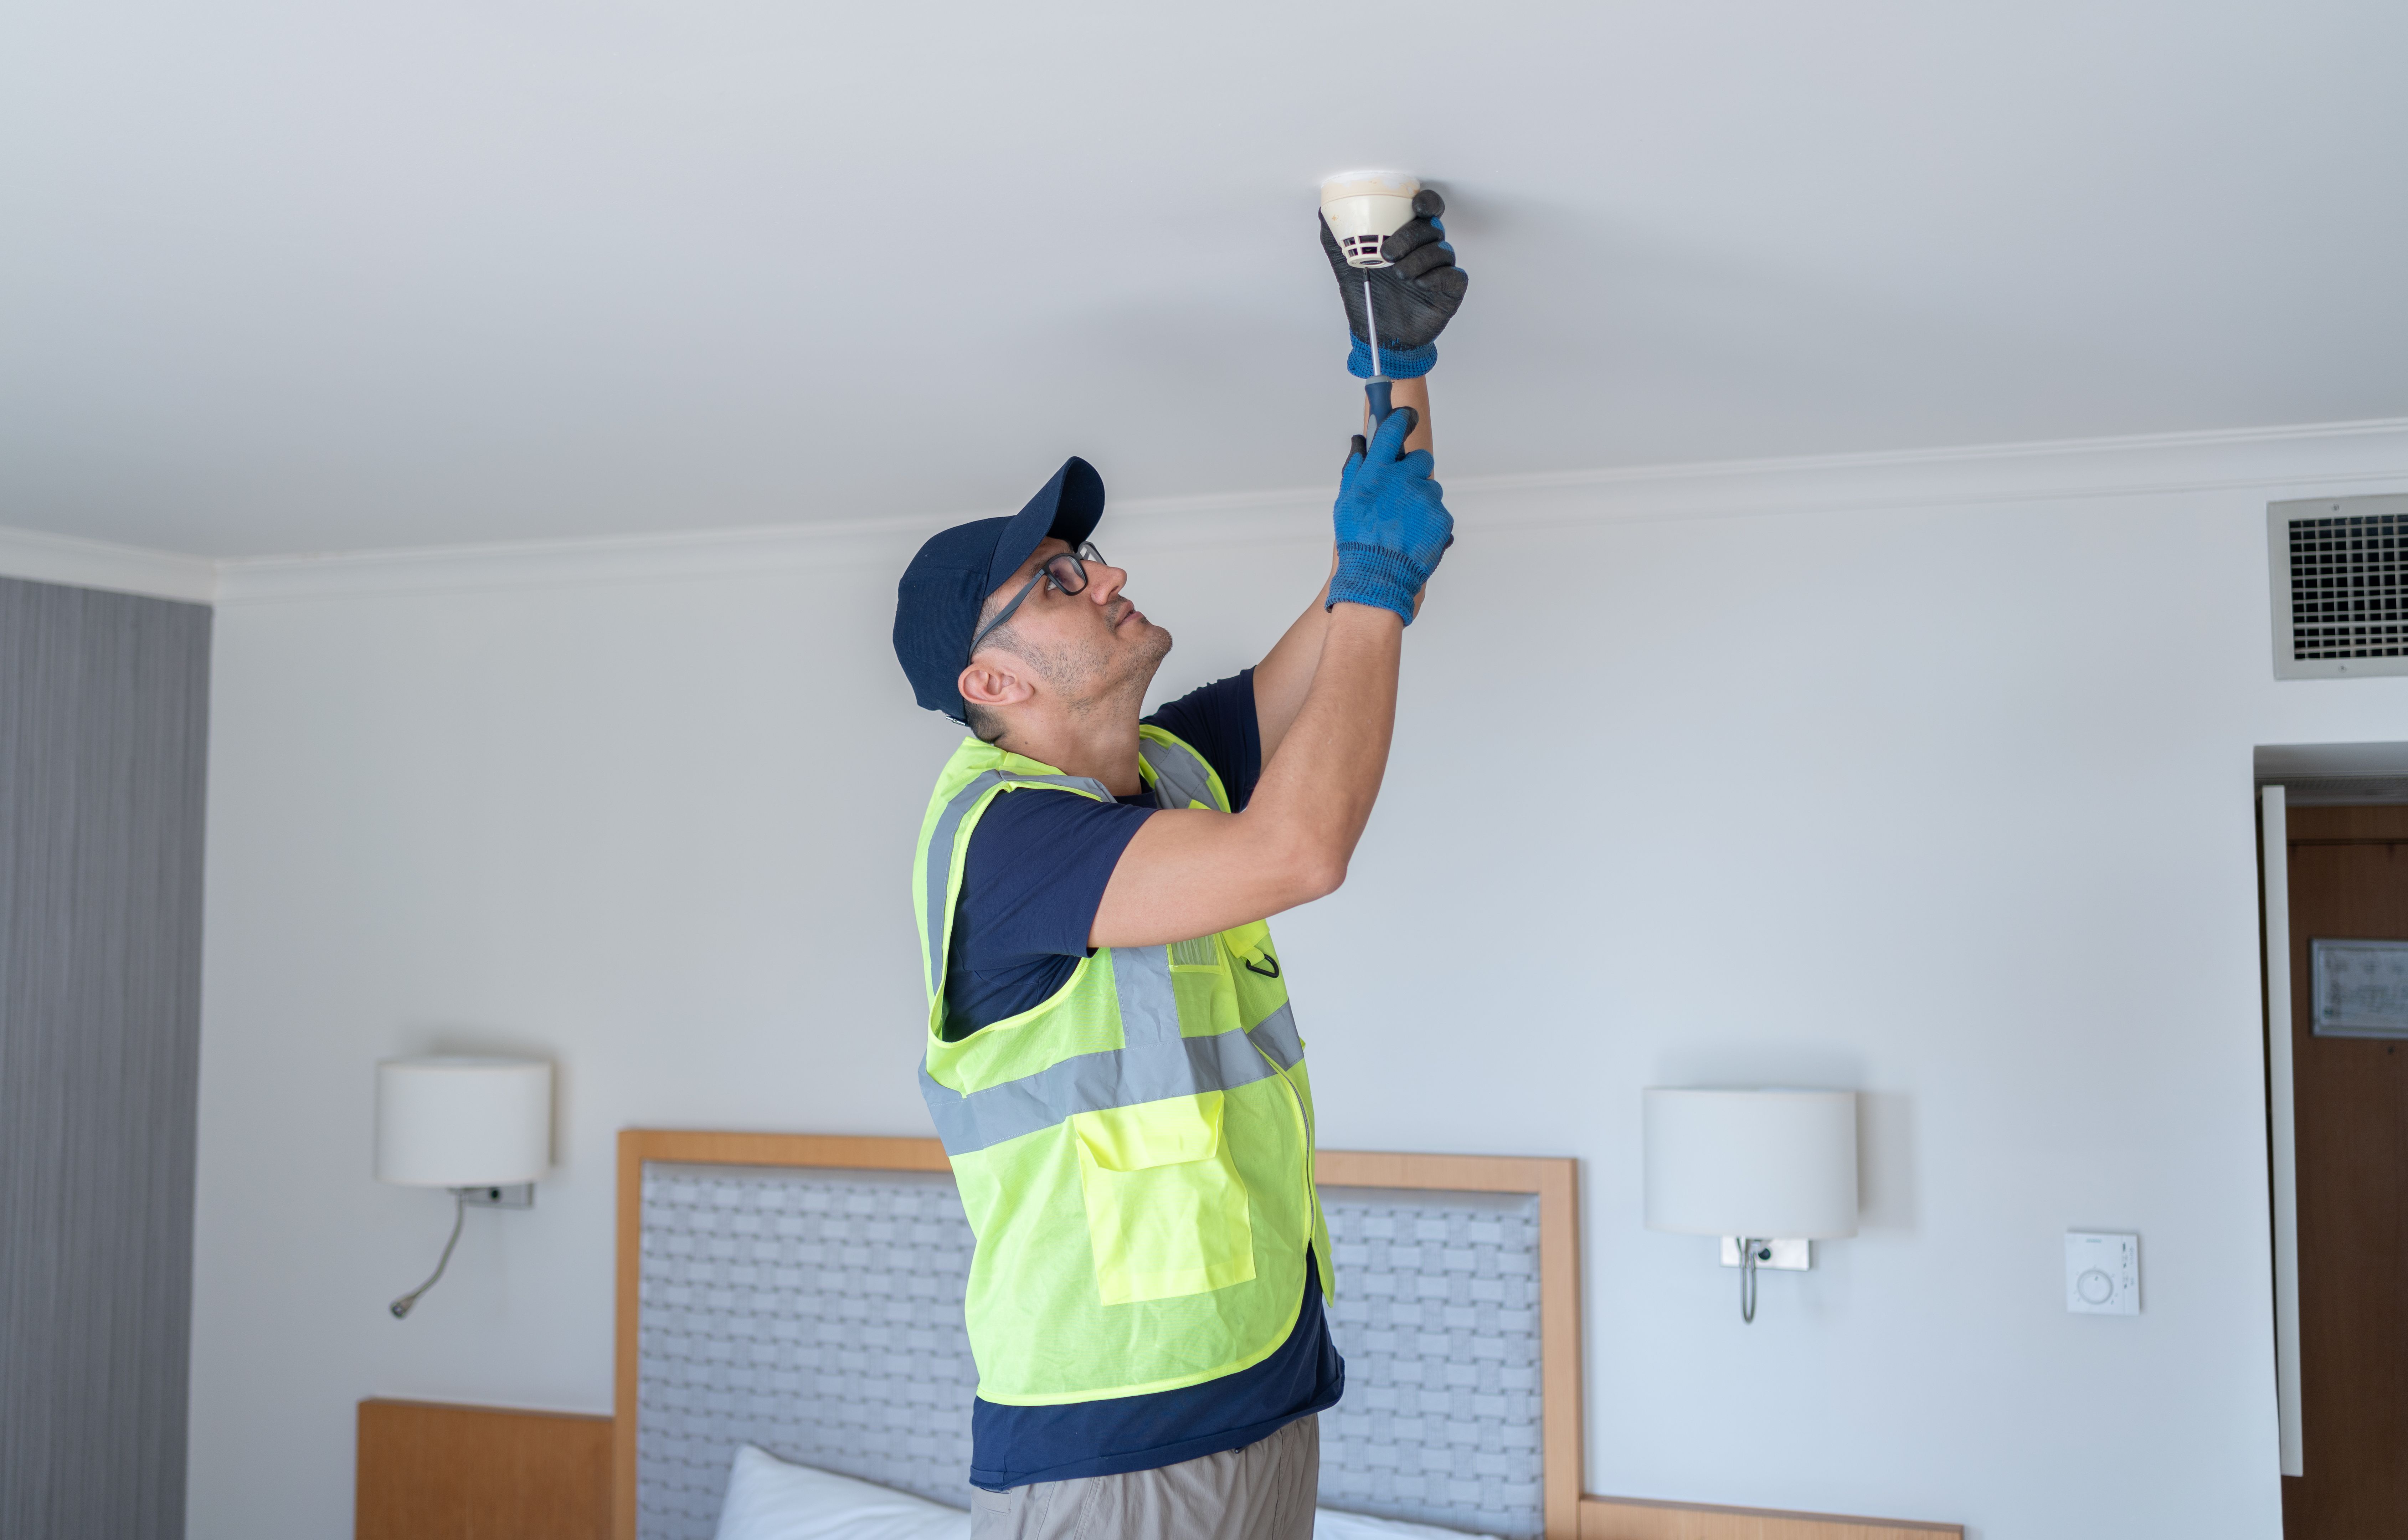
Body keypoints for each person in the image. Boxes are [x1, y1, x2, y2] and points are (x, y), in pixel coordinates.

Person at [889, 192, 1468, 1540]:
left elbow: (1370, 583)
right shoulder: (1006, 841)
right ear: (991, 680)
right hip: (1114, 1424)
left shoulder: (1171, 771)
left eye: (1083, 557)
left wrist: (1398, 364)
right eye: (1058, 581)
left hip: (1261, 1373)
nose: (1105, 576)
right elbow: (1303, 851)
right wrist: (1372, 583)